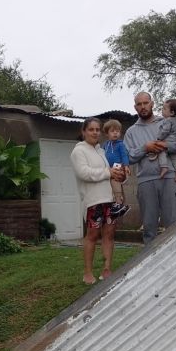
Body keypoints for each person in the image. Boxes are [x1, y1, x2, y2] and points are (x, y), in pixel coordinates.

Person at [124, 92, 176, 245]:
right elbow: (127, 157)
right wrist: (145, 148)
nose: (143, 107)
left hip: (170, 179)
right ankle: (149, 264)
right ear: (135, 107)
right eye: (139, 104)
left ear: (152, 104)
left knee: (174, 227)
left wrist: (166, 145)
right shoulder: (131, 132)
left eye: (145, 103)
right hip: (146, 182)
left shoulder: (169, 122)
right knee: (149, 229)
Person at [70, 117, 127, 284]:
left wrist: (119, 175)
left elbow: (110, 173)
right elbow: (84, 173)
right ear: (84, 131)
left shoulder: (101, 151)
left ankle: (107, 268)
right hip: (93, 201)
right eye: (91, 129)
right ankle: (87, 272)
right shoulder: (78, 151)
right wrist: (108, 172)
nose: (95, 132)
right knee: (92, 235)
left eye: (97, 129)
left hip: (109, 199)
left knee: (109, 234)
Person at [150, 99, 176, 182]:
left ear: (172, 113)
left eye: (164, 109)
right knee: (175, 157)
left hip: (167, 142)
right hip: (175, 142)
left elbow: (165, 131)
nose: (162, 110)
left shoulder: (168, 120)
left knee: (162, 152)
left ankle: (164, 167)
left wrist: (159, 138)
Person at [102, 119, 131, 218]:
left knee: (115, 182)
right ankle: (117, 202)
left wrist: (126, 166)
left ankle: (119, 202)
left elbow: (124, 155)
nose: (115, 133)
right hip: (108, 168)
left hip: (118, 166)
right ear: (107, 133)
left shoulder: (120, 144)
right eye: (112, 131)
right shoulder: (106, 145)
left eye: (117, 131)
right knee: (110, 185)